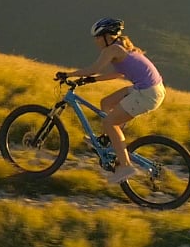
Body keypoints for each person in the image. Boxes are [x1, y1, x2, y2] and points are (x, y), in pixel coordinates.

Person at [57, 17, 165, 183]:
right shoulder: (122, 47)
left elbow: (94, 68)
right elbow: (119, 73)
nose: (96, 41)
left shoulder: (112, 49)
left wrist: (68, 74)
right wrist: (92, 80)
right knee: (106, 103)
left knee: (110, 122)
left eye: (98, 37)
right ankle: (107, 140)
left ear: (107, 36)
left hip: (146, 94)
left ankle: (126, 166)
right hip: (151, 89)